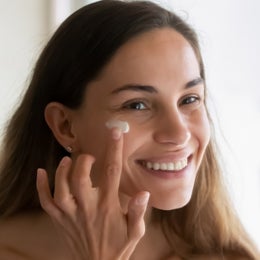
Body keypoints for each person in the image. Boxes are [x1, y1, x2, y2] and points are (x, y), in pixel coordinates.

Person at [0, 0, 259, 259]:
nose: (179, 134)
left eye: (189, 99)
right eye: (137, 105)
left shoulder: (226, 254)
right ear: (65, 125)